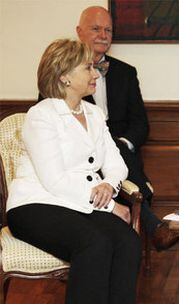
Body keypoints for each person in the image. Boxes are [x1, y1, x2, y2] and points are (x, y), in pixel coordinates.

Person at [7, 39, 141, 304]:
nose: (95, 74)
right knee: (94, 244)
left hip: (79, 203)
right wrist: (109, 206)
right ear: (64, 76)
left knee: (128, 242)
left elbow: (117, 164)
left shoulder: (94, 113)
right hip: (36, 205)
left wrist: (109, 186)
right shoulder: (41, 115)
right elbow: (55, 181)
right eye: (88, 68)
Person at [77, 6, 179, 250]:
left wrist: (122, 144)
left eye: (108, 30)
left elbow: (140, 123)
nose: (103, 35)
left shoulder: (125, 72)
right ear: (79, 32)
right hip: (81, 158)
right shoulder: (62, 73)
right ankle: (153, 224)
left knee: (116, 147)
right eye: (96, 29)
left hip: (120, 154)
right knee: (109, 147)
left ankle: (141, 231)